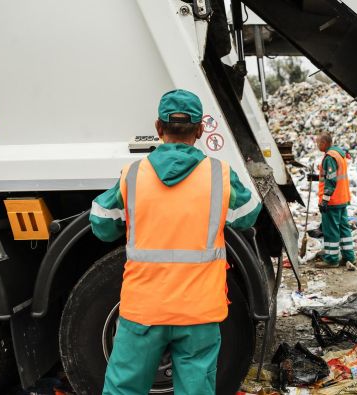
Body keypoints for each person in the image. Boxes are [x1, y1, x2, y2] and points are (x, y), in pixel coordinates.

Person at [89, 89, 262, 395]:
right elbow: (248, 214)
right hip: (199, 312)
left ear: (159, 128)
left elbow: (101, 224)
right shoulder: (219, 175)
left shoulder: (132, 175)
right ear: (200, 130)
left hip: (143, 311)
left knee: (123, 389)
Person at [314, 132, 355, 269]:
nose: (317, 145)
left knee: (331, 229)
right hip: (342, 198)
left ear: (324, 143)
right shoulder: (339, 154)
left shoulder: (329, 157)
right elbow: (333, 176)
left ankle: (332, 259)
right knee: (344, 228)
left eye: (318, 143)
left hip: (333, 200)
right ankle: (349, 257)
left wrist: (325, 200)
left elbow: (331, 180)